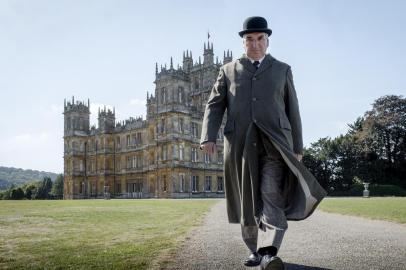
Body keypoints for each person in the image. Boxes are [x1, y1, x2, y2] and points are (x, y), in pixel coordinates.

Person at [200, 16, 327, 270]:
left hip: (276, 143)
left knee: (271, 193)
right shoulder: (227, 70)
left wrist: (298, 147)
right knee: (247, 199)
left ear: (267, 41)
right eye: (250, 39)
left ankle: (269, 250)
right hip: (240, 143)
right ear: (243, 42)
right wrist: (208, 136)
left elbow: (293, 110)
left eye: (260, 39)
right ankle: (254, 250)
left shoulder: (283, 69)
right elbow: (214, 105)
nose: (255, 43)